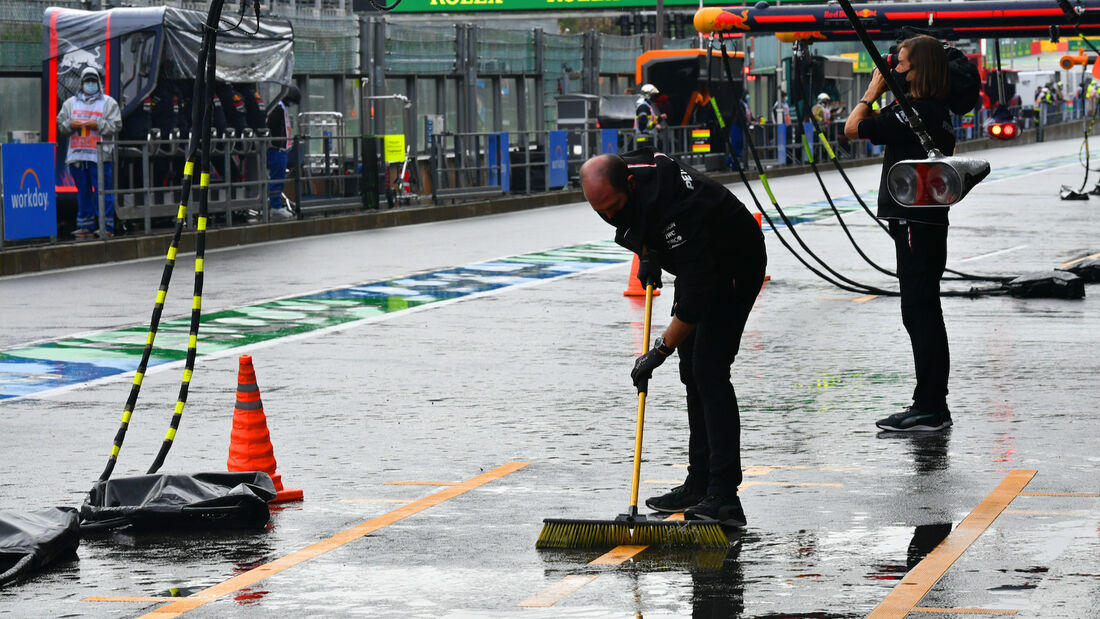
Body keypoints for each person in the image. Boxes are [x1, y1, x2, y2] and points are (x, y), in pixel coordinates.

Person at [578, 150, 767, 527]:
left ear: (628, 185)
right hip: (695, 262)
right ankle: (699, 482)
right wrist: (648, 254)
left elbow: (696, 299)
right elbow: (636, 215)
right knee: (692, 373)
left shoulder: (678, 209)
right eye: (601, 211)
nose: (610, 216)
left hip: (733, 264)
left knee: (710, 370)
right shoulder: (629, 178)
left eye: (614, 207)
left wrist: (658, 351)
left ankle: (724, 496)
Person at [843, 34, 956, 432]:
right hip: (930, 220)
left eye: (902, 64)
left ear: (917, 70)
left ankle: (929, 406)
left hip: (913, 222)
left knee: (919, 313)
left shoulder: (912, 112)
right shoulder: (939, 110)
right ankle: (933, 404)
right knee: (927, 312)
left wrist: (871, 91)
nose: (895, 70)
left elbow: (852, 128)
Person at [57, 66, 122, 239]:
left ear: (98, 83)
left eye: (93, 81)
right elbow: (61, 126)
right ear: (82, 83)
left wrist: (98, 125)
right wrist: (71, 124)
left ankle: (106, 227)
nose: (90, 84)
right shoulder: (70, 103)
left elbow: (116, 125)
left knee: (103, 191)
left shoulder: (108, 103)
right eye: (87, 81)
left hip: (100, 155)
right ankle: (85, 226)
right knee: (83, 191)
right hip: (78, 156)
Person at [266, 85, 300, 221]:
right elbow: (274, 127)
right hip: (277, 150)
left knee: (279, 178)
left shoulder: (280, 108)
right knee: (277, 179)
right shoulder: (278, 108)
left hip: (281, 150)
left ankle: (277, 205)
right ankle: (275, 207)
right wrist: (279, 144)